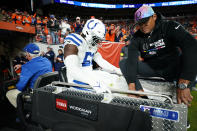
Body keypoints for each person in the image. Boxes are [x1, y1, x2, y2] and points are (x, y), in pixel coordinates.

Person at [121, 5, 197, 106]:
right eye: (140, 24)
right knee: (124, 62)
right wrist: (132, 86)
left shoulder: (169, 26)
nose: (143, 26)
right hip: (154, 68)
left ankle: (181, 107)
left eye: (145, 22)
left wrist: (184, 82)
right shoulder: (136, 37)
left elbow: (191, 46)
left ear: (154, 16)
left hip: (174, 67)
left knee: (188, 58)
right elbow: (130, 60)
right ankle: (141, 95)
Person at [64, 19, 127, 93]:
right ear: (88, 33)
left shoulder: (91, 45)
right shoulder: (74, 40)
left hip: (89, 74)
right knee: (111, 91)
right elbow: (72, 69)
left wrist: (117, 70)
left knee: (118, 80)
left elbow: (100, 60)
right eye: (96, 39)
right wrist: (94, 83)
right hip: (76, 79)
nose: (98, 42)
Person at [6, 43, 52, 108]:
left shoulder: (28, 67)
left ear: (28, 54)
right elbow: (36, 64)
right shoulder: (46, 60)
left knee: (9, 93)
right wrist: (23, 66)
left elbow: (20, 87)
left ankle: (23, 113)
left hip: (33, 93)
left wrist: (15, 85)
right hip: (46, 90)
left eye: (26, 53)